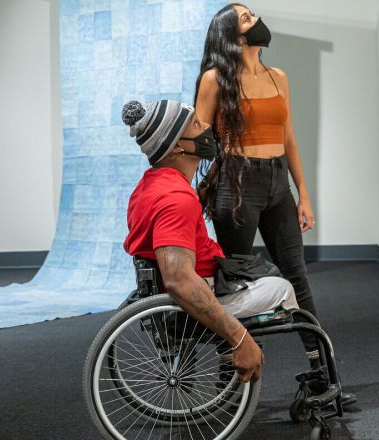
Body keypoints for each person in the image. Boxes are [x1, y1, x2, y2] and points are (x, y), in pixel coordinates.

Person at [192, 3, 356, 405]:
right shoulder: (215, 80)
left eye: (252, 14)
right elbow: (197, 142)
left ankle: (323, 373)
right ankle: (228, 381)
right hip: (237, 185)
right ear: (234, 36)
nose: (256, 20)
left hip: (277, 184)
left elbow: (290, 139)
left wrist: (305, 195)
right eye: (246, 18)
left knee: (297, 277)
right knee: (233, 284)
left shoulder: (278, 77)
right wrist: (186, 191)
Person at [121, 98, 300, 383]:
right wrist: (239, 338)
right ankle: (236, 364)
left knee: (253, 267)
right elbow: (180, 280)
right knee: (283, 289)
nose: (206, 126)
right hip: (194, 297)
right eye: (195, 124)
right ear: (178, 145)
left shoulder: (150, 185)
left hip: (184, 286)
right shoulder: (175, 199)